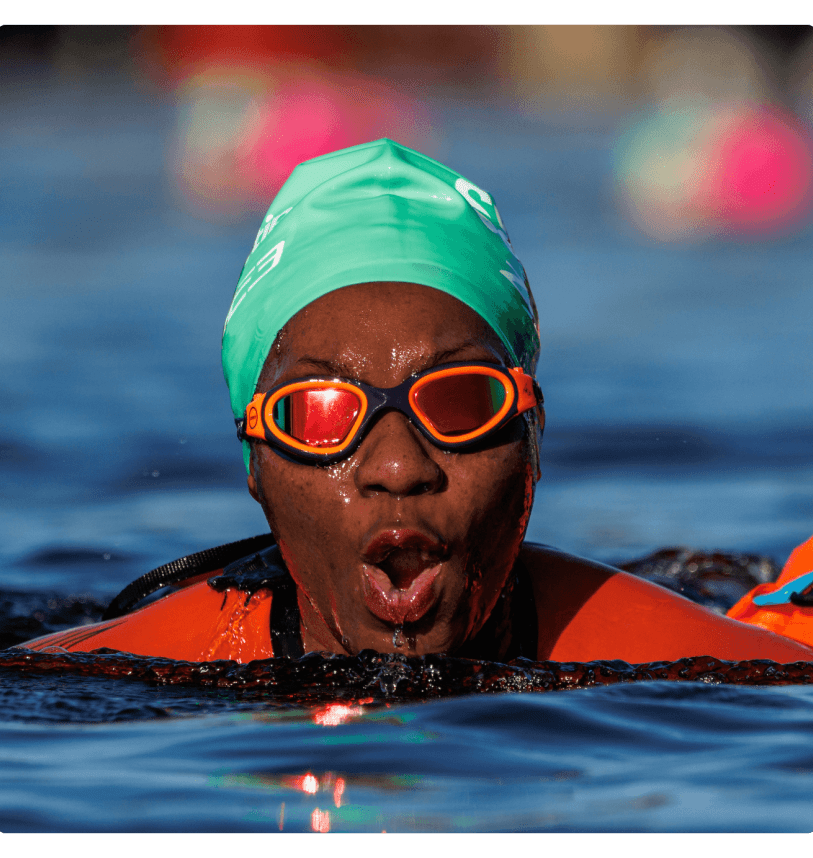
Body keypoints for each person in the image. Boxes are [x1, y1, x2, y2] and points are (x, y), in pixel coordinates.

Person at [18, 139, 813, 665]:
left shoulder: (718, 667)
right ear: (254, 464)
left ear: (533, 438)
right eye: (323, 411)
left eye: (461, 402)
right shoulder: (106, 672)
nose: (397, 466)